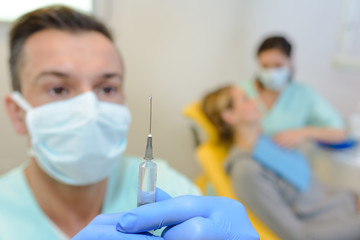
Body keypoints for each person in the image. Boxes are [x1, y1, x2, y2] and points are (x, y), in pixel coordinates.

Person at [0, 5, 259, 240]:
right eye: (58, 89)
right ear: (16, 113)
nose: (90, 109)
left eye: (107, 88)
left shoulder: (170, 187)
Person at [202, 85, 360, 240]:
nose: (255, 101)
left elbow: (313, 187)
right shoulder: (246, 171)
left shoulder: (267, 142)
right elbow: (298, 235)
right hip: (336, 225)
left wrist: (353, 198)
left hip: (346, 206)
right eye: (245, 99)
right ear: (229, 115)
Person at [240, 36, 345, 148]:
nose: (271, 73)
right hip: (247, 158)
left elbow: (339, 132)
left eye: (278, 66)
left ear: (290, 63)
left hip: (284, 161)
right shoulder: (241, 92)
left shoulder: (303, 95)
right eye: (265, 66)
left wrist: (303, 132)